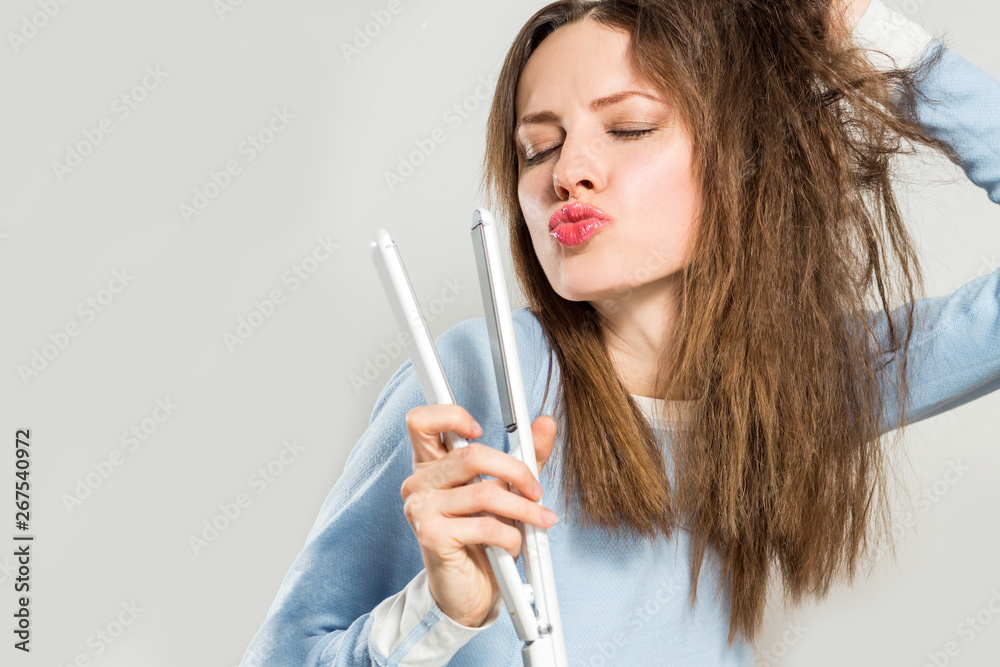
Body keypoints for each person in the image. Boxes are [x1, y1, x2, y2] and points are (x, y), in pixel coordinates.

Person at [240, 1, 1000, 664]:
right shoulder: (480, 378)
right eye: (538, 148)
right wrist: (435, 614)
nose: (567, 171)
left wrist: (862, 31)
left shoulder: (802, 380)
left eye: (629, 127)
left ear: (741, 161)